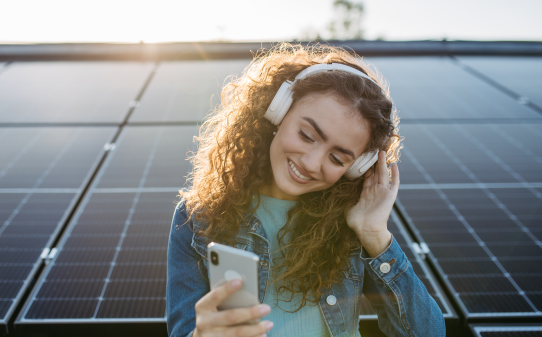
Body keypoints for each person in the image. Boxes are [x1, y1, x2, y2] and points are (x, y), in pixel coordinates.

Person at [166, 42, 445, 337]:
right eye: (306, 135)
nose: (312, 164)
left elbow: (428, 333)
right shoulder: (197, 218)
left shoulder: (350, 224)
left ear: (356, 167)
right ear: (278, 112)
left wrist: (376, 236)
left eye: (337, 158)